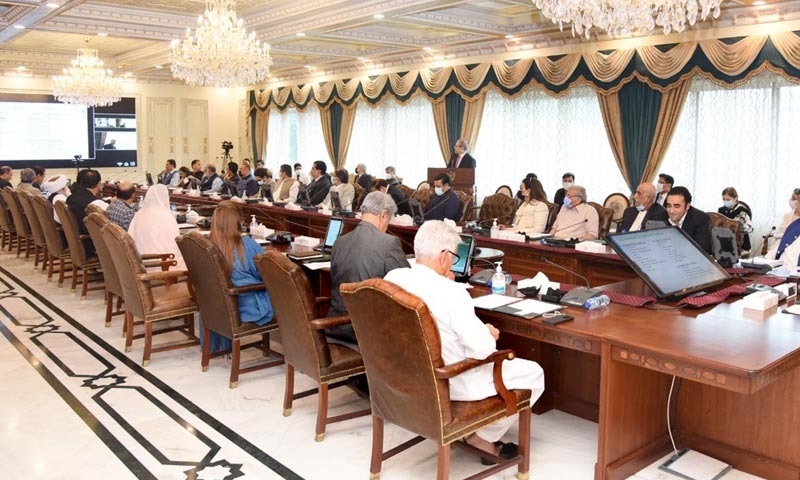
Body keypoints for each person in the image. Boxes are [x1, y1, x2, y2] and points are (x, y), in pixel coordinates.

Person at [384, 220, 544, 459]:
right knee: (535, 373)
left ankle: (475, 432)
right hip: (451, 380)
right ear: (443, 257)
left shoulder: (393, 278)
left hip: (406, 374)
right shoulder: (452, 292)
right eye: (454, 257)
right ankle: (482, 438)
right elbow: (482, 350)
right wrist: (488, 333)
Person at [328, 191, 409, 343]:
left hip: (336, 324)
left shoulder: (339, 242)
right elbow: (406, 286)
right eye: (388, 220)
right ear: (384, 215)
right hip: (368, 330)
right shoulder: (389, 243)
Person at [204, 201, 275, 352]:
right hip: (247, 305)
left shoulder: (206, 245)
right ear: (238, 221)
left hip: (217, 305)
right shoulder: (246, 244)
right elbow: (267, 273)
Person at [128, 184, 184, 270]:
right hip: (162, 264)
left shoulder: (138, 214)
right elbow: (174, 246)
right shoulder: (167, 217)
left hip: (139, 262)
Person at [66, 169, 106, 255]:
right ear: (98, 184)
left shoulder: (71, 198)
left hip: (78, 243)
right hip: (93, 244)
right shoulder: (96, 204)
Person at [665, 186, 712, 254]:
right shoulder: (662, 215)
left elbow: (702, 250)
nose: (671, 211)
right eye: (669, 206)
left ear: (687, 206)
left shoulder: (700, 219)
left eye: (677, 206)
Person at [766, 188, 800, 260]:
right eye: (792, 198)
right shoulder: (787, 215)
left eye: (796, 199)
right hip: (782, 242)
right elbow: (781, 232)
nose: (794, 201)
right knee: (770, 257)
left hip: (795, 249)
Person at [718, 187, 753, 251]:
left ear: (735, 199)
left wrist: (738, 227)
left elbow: (750, 229)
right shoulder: (721, 210)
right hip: (725, 242)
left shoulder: (742, 211)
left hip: (741, 245)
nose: (725, 201)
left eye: (728, 200)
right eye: (723, 199)